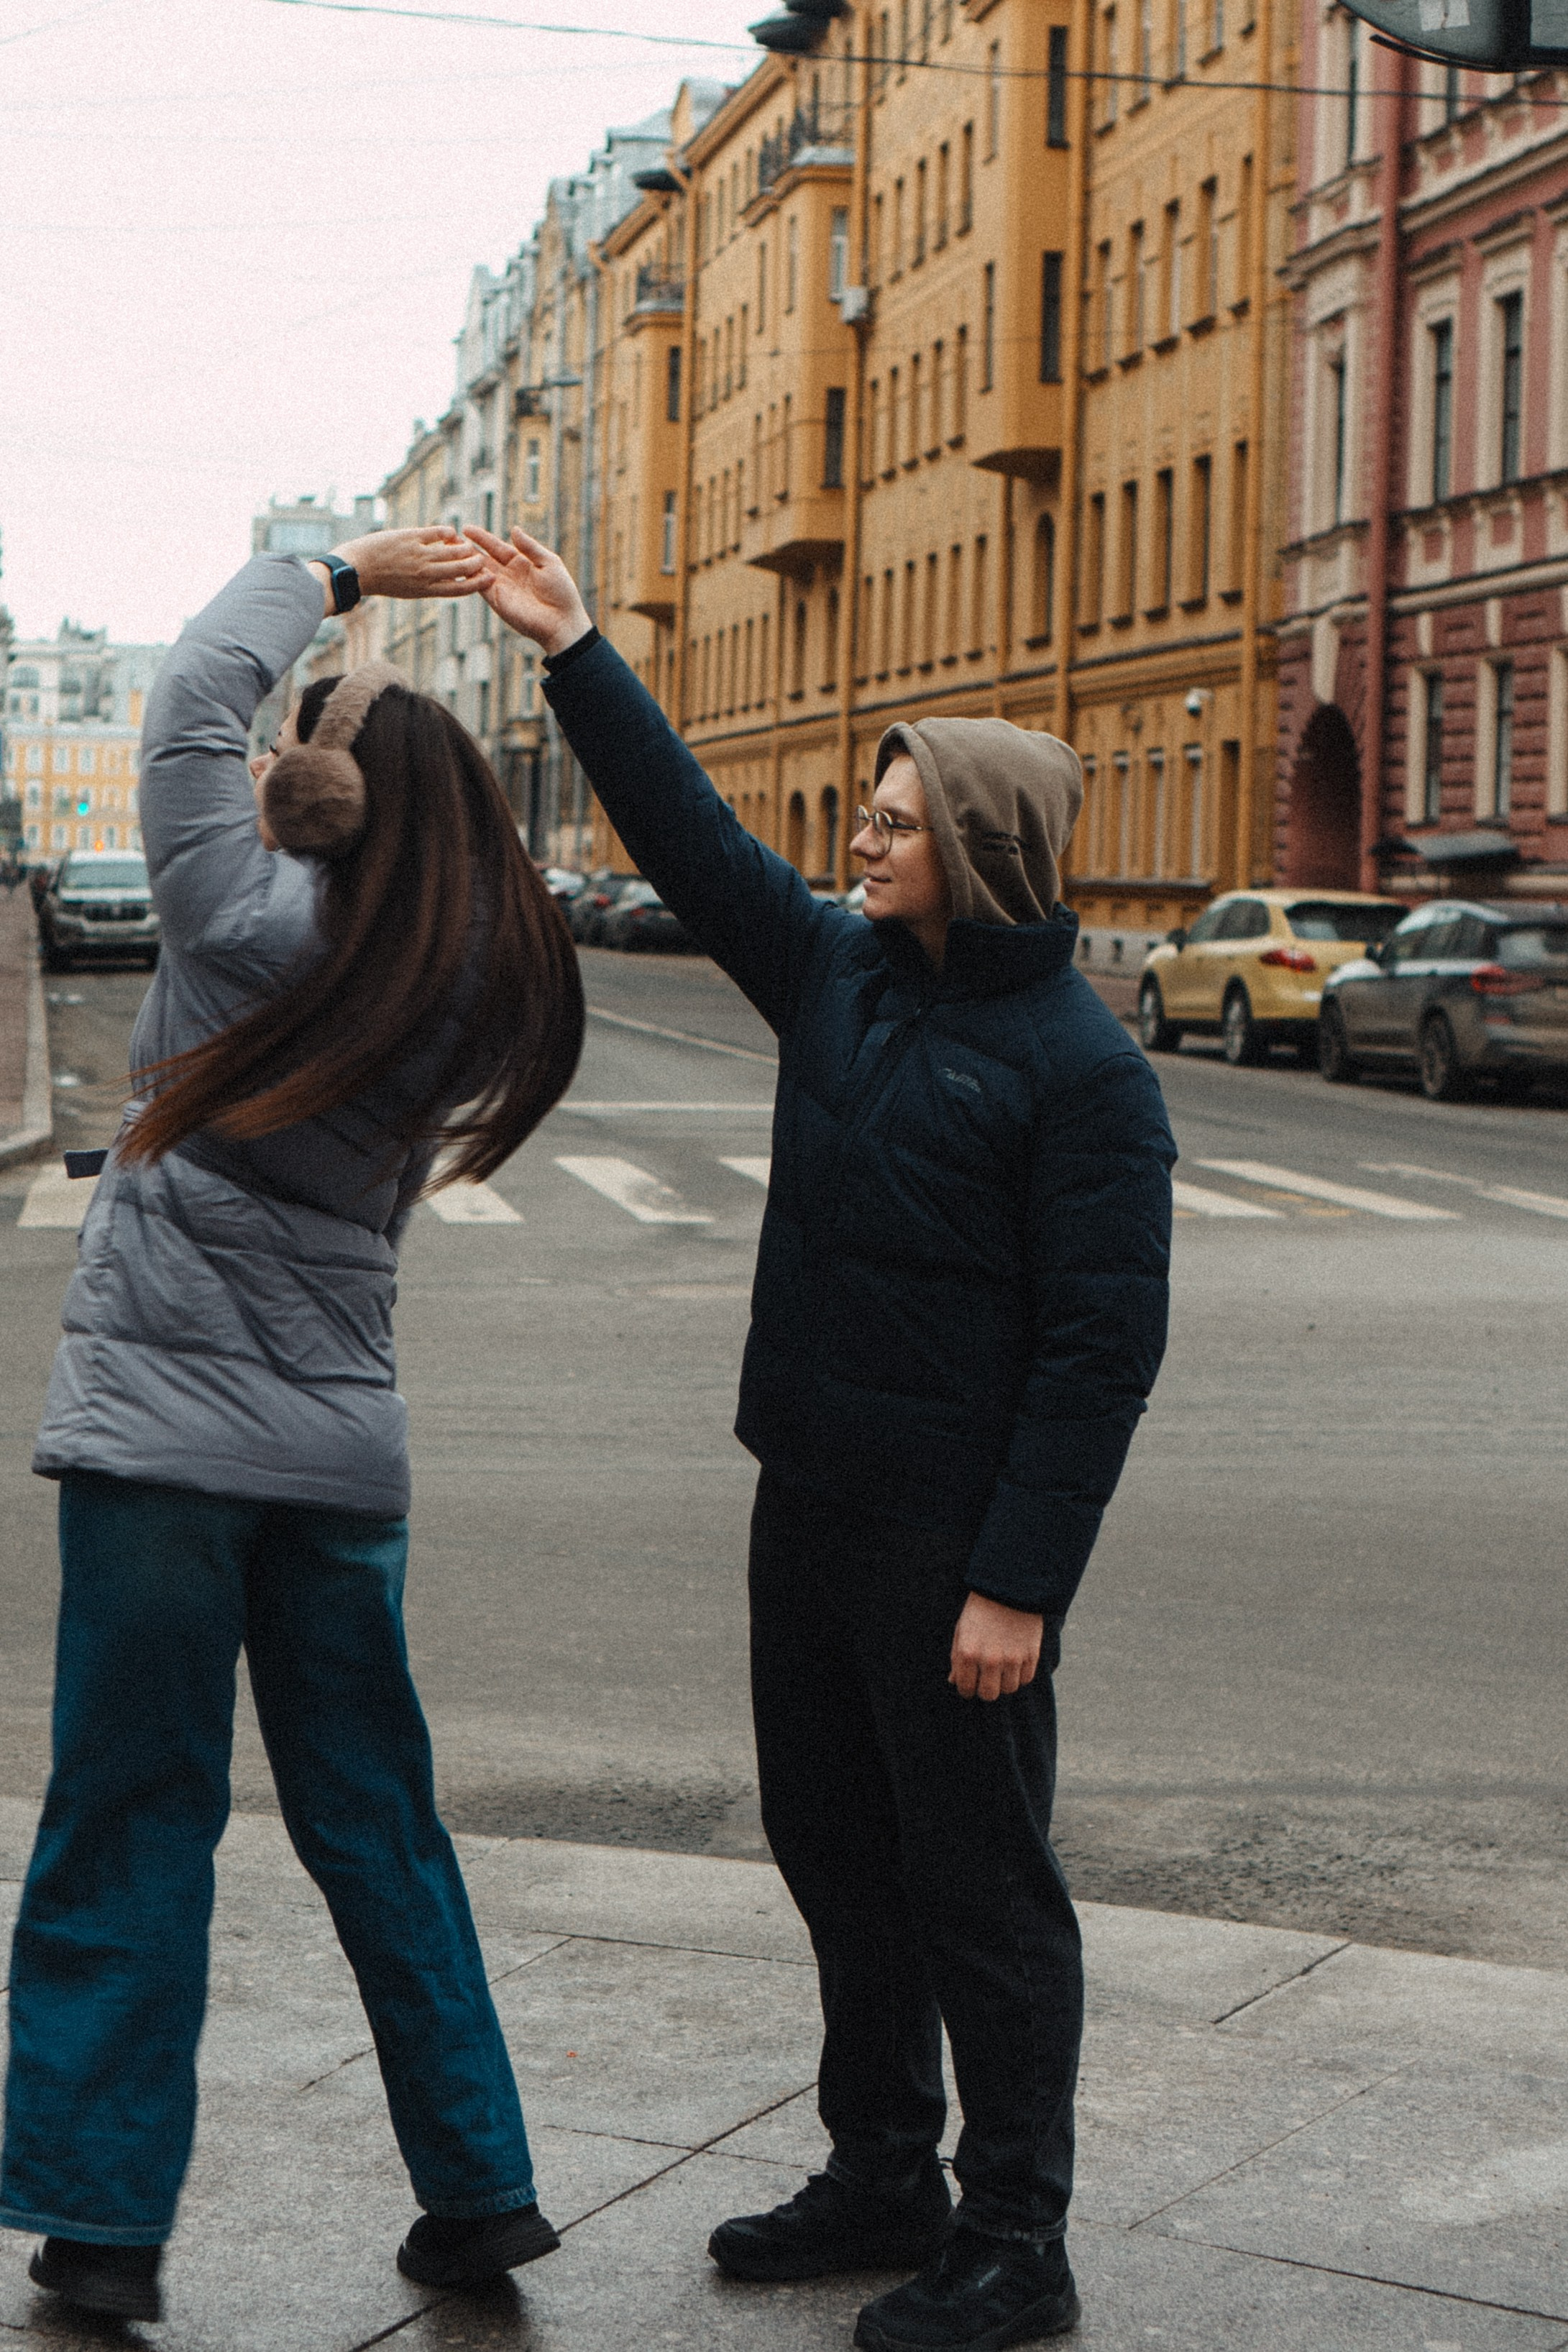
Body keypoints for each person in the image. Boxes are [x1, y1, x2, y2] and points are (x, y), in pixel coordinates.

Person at [467, 526, 1175, 2352]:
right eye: (861, 817)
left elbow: (1100, 1356)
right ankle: (884, 2169)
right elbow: (694, 846)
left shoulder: (1085, 1077)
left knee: (980, 1888)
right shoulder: (841, 981)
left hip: (957, 1547)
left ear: (980, 852)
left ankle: (1019, 2236)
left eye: (890, 820)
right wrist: (573, 650)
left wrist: (1016, 1583)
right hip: (812, 1495)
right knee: (831, 1846)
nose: (855, 842)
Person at [2, 530, 584, 2326]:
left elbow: (188, 699)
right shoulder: (469, 983)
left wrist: (327, 574)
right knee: (379, 1820)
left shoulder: (229, 910)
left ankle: (106, 2230)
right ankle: (480, 2185)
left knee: (128, 1818)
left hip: (158, 1460)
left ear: (323, 793)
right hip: (336, 1469)